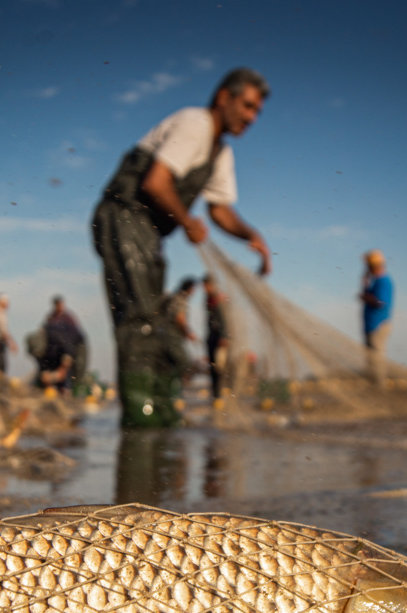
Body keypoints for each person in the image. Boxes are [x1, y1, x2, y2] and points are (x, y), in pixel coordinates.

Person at [92, 67, 272, 427]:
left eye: (257, 112)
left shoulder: (221, 154)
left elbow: (219, 210)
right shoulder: (196, 123)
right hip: (122, 216)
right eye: (247, 106)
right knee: (140, 321)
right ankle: (141, 424)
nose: (251, 118)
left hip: (148, 233)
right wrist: (187, 221)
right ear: (224, 98)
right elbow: (156, 184)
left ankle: (156, 415)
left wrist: (251, 235)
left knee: (156, 324)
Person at [38, 296, 86, 393]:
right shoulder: (51, 318)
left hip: (72, 347)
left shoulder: (69, 318)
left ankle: (67, 391)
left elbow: (70, 344)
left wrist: (63, 368)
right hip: (57, 350)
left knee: (69, 374)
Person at [360, 249, 393, 384]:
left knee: (376, 358)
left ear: (374, 266)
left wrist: (367, 298)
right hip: (371, 325)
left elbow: (381, 302)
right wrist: (365, 284)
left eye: (368, 266)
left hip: (378, 325)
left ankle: (379, 386)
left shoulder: (383, 281)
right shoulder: (375, 281)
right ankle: (374, 385)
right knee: (371, 359)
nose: (366, 268)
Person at [204, 273, 229, 398]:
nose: (205, 288)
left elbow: (224, 318)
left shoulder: (219, 298)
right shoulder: (207, 298)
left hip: (220, 337)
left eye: (207, 285)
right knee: (213, 366)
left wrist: (224, 336)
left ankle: (218, 394)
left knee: (219, 367)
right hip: (211, 337)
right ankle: (215, 395)